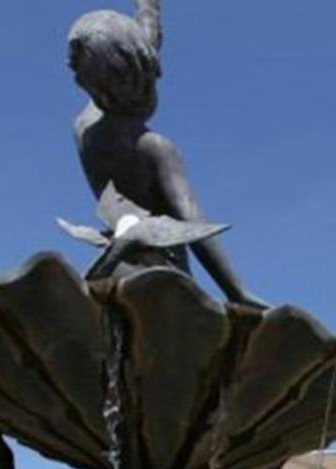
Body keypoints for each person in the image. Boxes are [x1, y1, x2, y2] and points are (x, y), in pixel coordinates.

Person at [67, 2, 267, 306]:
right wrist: (235, 290)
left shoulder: (84, 128)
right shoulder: (154, 149)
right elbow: (192, 222)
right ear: (139, 75)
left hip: (111, 266)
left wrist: (147, 9)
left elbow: (141, 46)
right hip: (159, 276)